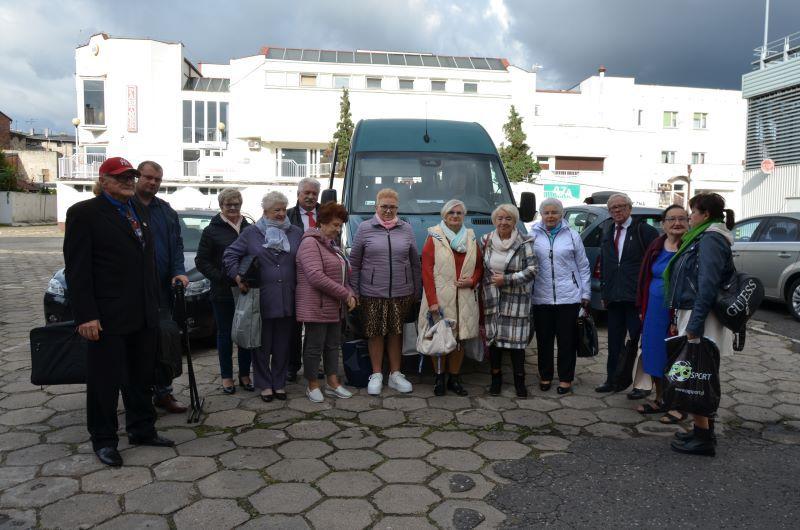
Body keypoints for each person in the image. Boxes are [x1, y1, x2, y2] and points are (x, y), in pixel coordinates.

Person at [64, 157, 174, 467]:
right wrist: (85, 315)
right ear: (104, 180)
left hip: (142, 313)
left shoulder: (137, 210)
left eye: (131, 176)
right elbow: (77, 270)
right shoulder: (84, 213)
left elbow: (145, 261)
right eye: (121, 177)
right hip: (107, 315)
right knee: (105, 381)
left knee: (141, 376)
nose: (128, 181)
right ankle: (104, 440)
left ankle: (142, 429)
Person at [666, 193, 735, 457]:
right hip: (697, 312)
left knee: (698, 375)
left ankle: (704, 438)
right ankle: (701, 430)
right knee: (701, 372)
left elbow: (707, 284)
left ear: (705, 214)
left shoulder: (710, 239)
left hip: (702, 316)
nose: (689, 217)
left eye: (692, 212)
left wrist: (694, 325)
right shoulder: (703, 236)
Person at [224, 191, 303, 402]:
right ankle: (264, 384)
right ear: (265, 211)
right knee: (261, 345)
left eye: (283, 209)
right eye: (276, 210)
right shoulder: (251, 233)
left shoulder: (295, 232)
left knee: (283, 345)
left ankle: (279, 383)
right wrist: (237, 277)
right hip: (261, 297)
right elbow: (230, 255)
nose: (281, 214)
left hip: (288, 297)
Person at [349, 188, 420, 396]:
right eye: (384, 207)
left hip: (401, 291)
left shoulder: (406, 229)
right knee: (375, 332)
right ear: (376, 207)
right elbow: (355, 262)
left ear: (397, 208)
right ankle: (377, 374)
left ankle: (396, 374)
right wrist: (354, 291)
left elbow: (414, 262)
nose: (388, 210)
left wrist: (417, 290)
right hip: (372, 291)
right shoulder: (364, 228)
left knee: (396, 332)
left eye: (392, 207)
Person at [133, 160, 189, 414]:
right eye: (148, 177)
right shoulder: (126, 207)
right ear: (138, 177)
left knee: (165, 341)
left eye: (157, 179)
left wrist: (178, 271)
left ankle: (163, 392)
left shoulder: (165, 211)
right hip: (132, 291)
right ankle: (138, 397)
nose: (153, 182)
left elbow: (177, 245)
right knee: (137, 345)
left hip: (162, 291)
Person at [419, 199, 483, 396]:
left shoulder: (471, 237)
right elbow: (426, 271)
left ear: (464, 216)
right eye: (451, 213)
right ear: (444, 216)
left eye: (459, 213)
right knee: (439, 337)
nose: (455, 216)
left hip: (464, 298)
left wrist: (472, 281)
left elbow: (479, 266)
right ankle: (439, 378)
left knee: (459, 339)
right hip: (439, 298)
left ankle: (454, 379)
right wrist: (432, 302)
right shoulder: (434, 236)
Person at [295, 202, 357, 402]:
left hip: (333, 306)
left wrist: (350, 292)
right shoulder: (310, 243)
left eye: (340, 226)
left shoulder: (331, 245)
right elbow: (316, 276)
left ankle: (332, 383)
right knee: (314, 346)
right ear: (321, 222)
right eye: (335, 225)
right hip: (316, 305)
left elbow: (343, 275)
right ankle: (312, 385)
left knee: (332, 345)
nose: (338, 230)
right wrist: (345, 294)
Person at [596, 193, 659, 393]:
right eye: (613, 208)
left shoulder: (644, 231)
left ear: (630, 208)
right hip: (614, 297)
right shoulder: (608, 230)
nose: (617, 210)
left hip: (636, 298)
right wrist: (604, 292)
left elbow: (655, 263)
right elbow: (605, 263)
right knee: (614, 343)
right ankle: (613, 380)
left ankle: (642, 385)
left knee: (641, 343)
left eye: (621, 206)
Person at [195, 188, 255, 395]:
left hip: (246, 290)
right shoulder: (211, 231)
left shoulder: (249, 228)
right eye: (228, 204)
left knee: (245, 332)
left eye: (236, 204)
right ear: (221, 206)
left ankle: (245, 374)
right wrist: (222, 277)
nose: (233, 207)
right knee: (225, 335)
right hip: (222, 291)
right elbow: (201, 261)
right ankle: (227, 376)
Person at [529, 198, 591, 395]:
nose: (550, 216)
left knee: (567, 341)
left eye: (554, 212)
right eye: (546, 213)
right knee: (544, 340)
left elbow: (583, 266)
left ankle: (565, 378)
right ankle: (545, 375)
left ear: (561, 214)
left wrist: (586, 292)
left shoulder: (572, 235)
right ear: (541, 214)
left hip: (569, 297)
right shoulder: (531, 235)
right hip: (541, 296)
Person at [635, 204, 689, 423]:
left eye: (682, 218)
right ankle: (660, 399)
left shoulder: (690, 246)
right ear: (663, 223)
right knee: (654, 354)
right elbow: (644, 277)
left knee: (678, 358)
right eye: (671, 219)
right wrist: (642, 307)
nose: (677, 223)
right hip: (654, 311)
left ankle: (679, 405)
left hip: (679, 311)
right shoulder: (657, 245)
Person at [481, 204, 538, 398]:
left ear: (515, 221)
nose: (503, 222)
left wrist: (506, 279)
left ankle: (519, 382)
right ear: (494, 221)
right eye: (500, 218)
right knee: (494, 343)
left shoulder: (525, 241)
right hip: (492, 299)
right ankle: (495, 381)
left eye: (508, 218)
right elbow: (481, 268)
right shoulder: (486, 240)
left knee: (517, 345)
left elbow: (532, 270)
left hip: (516, 300)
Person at [286, 177, 321, 382]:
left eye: (314, 193)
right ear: (298, 194)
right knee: (294, 326)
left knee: (315, 325)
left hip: (319, 276)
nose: (310, 197)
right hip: (294, 276)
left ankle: (312, 365)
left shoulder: (326, 214)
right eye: (306, 193)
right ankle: (292, 365)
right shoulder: (287, 215)